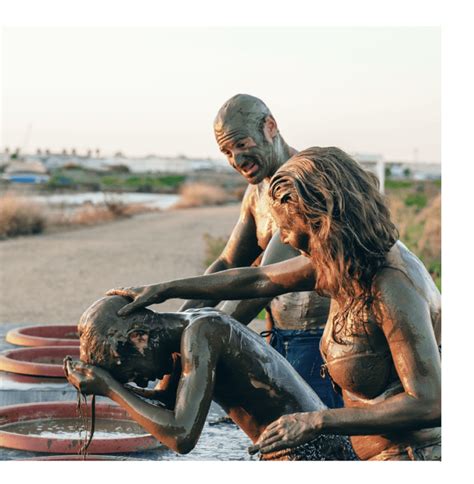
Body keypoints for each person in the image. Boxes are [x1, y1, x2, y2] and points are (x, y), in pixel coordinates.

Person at [108, 147, 441, 461]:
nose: (285, 240)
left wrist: (318, 421)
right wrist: (164, 289)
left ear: (323, 222)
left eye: (291, 229)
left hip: (414, 457)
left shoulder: (392, 284)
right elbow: (258, 279)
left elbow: (428, 402)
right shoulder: (346, 259)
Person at [178, 94, 341, 408]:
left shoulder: (305, 181)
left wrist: (203, 338)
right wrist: (179, 321)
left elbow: (263, 282)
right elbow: (227, 262)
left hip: (323, 341)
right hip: (280, 337)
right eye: (226, 152)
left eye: (241, 144)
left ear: (270, 127)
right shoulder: (257, 192)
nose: (236, 160)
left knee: (319, 441)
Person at [64, 295, 356, 461]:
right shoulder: (180, 332)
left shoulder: (202, 332)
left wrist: (111, 388)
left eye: (131, 373)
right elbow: (167, 405)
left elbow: (181, 436)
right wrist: (106, 384)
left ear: (139, 339)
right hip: (291, 452)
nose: (140, 383)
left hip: (311, 454)